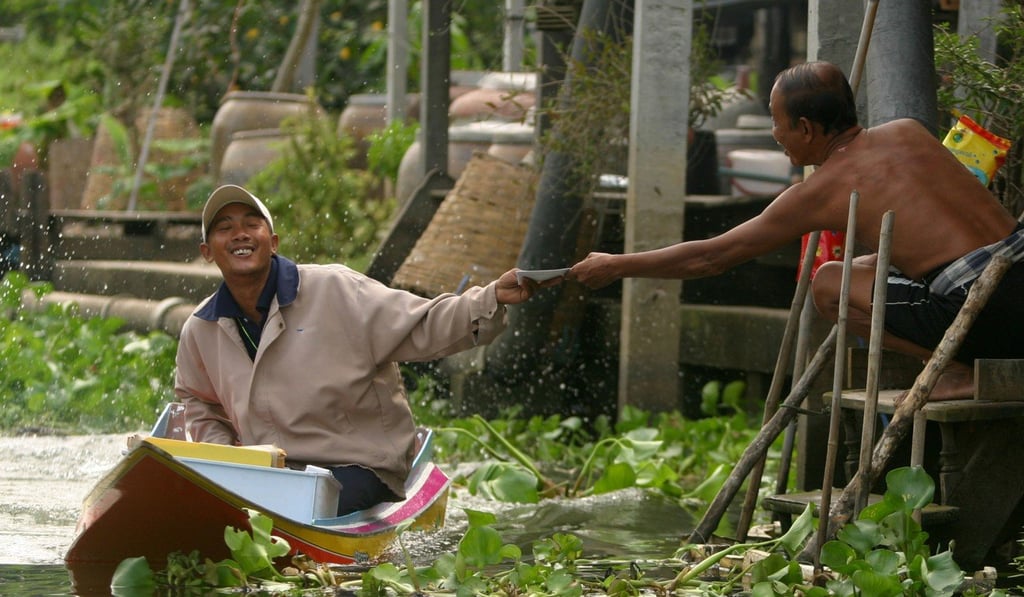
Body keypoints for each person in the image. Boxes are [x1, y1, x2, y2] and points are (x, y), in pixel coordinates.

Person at [570, 61, 1024, 401]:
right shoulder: (908, 131)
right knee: (863, 265)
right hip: (1015, 272)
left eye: (777, 122)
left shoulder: (823, 188)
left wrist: (617, 265)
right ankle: (963, 359)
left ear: (805, 128)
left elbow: (711, 257)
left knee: (829, 282)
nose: (774, 133)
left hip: (989, 312)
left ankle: (960, 370)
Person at [175, 184, 561, 515]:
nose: (240, 234)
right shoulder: (201, 328)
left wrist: (489, 298)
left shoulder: (337, 289)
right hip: (274, 474)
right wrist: (228, 461)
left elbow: (422, 322)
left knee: (298, 511)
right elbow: (199, 403)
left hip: (358, 464)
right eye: (225, 228)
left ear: (272, 243)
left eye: (251, 224)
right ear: (208, 252)